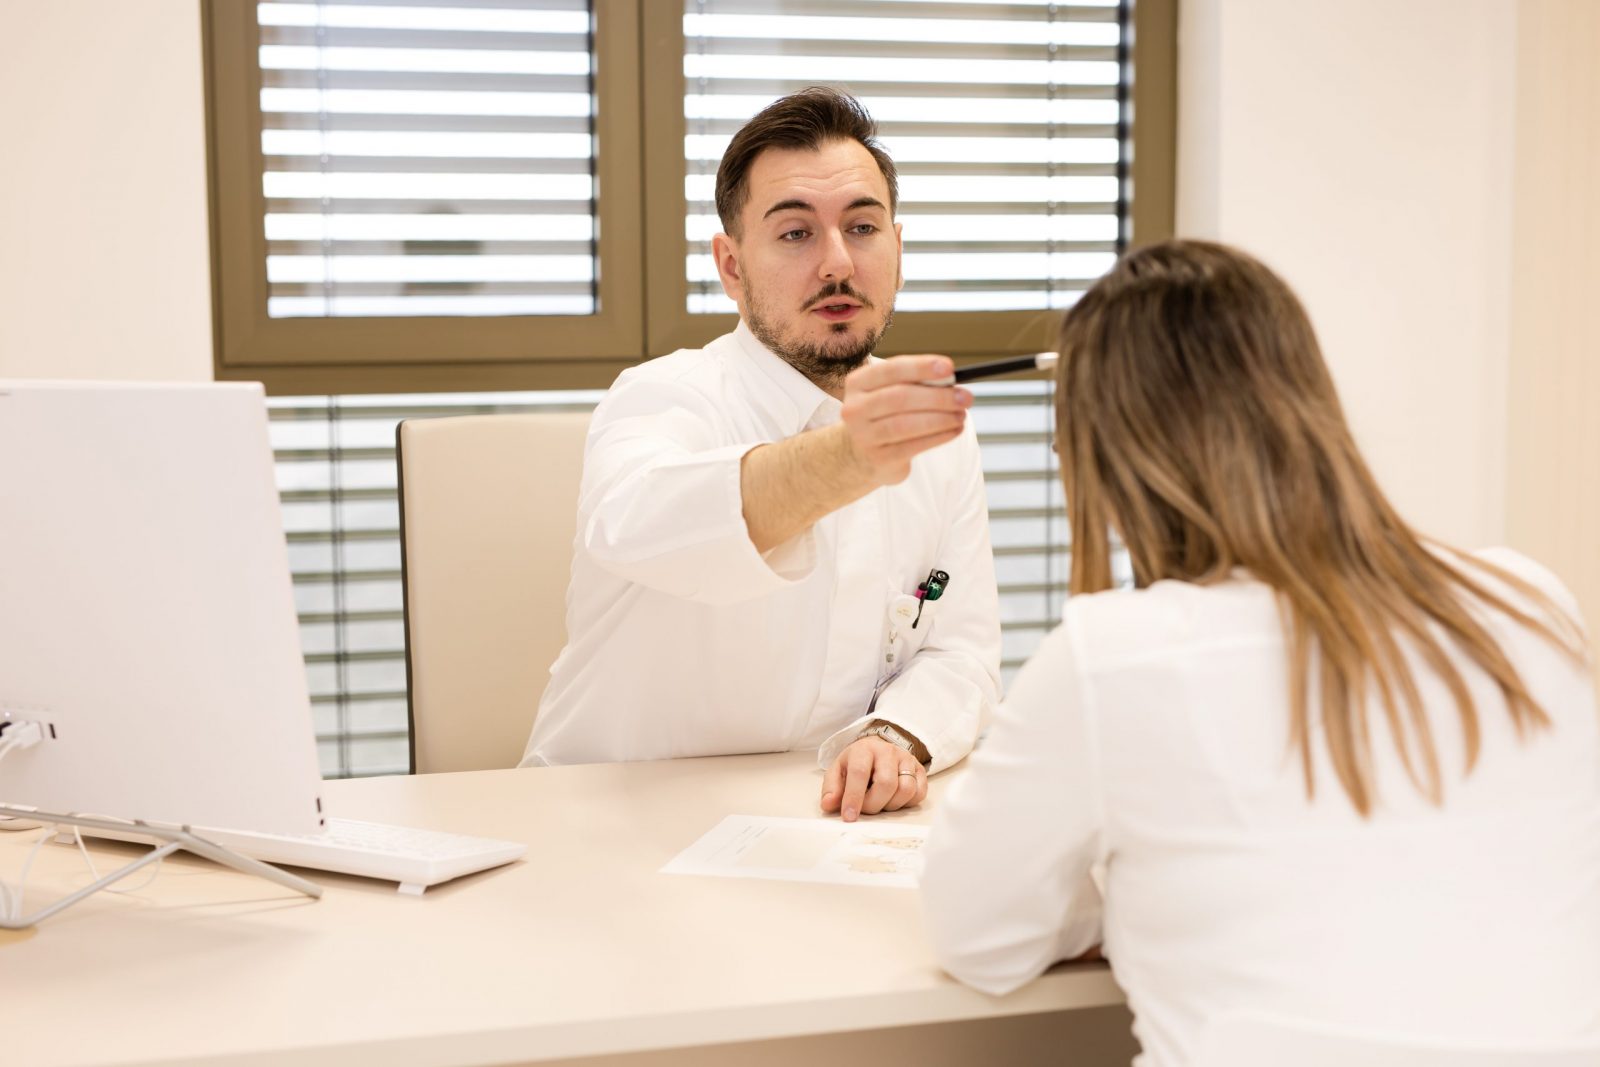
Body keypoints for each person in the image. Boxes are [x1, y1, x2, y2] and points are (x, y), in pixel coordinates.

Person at [920, 240, 1600, 1065]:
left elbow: (977, 937)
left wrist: (1121, 906)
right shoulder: (1526, 600)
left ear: (1111, 460)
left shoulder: (1116, 657)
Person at [521, 88, 1001, 822]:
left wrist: (894, 732)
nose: (838, 263)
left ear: (898, 250)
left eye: (863, 227)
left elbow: (962, 651)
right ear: (731, 265)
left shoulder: (936, 430)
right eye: (795, 234)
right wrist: (848, 458)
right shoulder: (659, 398)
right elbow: (639, 522)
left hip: (815, 823)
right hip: (606, 820)